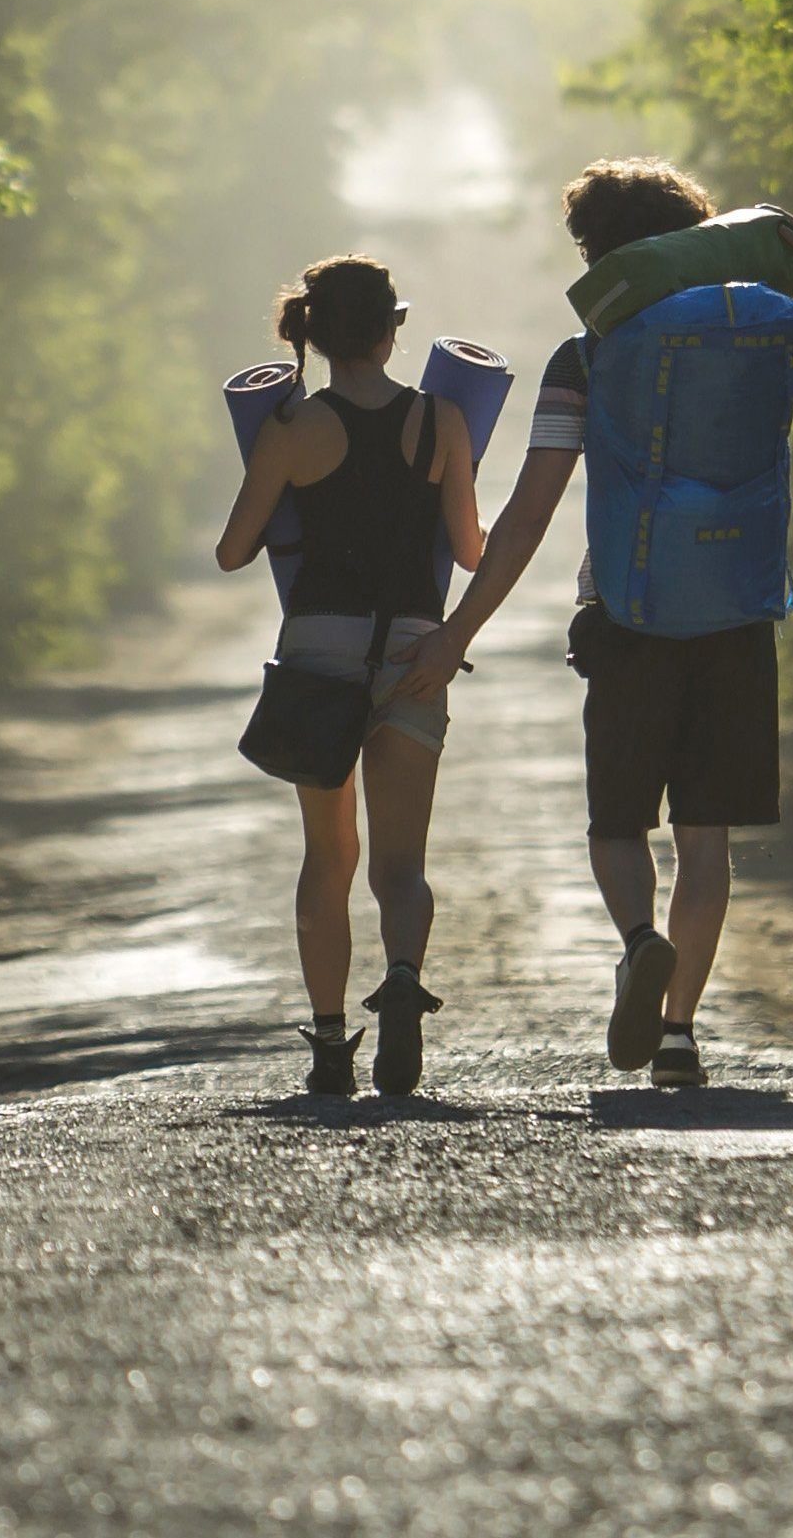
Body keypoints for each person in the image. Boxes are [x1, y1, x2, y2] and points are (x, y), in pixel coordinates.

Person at [386, 161, 793, 1091]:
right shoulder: (763, 342)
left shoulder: (588, 355)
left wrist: (457, 632)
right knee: (707, 840)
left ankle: (638, 939)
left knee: (618, 827)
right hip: (740, 611)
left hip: (625, 613)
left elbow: (532, 512)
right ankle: (680, 1034)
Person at [212, 253, 486, 1100]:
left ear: (315, 334)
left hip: (320, 652)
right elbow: (472, 550)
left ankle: (331, 1043)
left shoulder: (294, 430)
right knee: (400, 867)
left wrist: (276, 473)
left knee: (327, 858)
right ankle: (402, 975)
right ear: (391, 328)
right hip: (413, 649)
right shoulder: (443, 419)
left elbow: (231, 551)